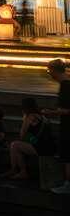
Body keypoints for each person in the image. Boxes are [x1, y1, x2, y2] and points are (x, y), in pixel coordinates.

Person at [5, 98, 53, 181]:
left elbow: (22, 136)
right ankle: (15, 170)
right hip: (49, 147)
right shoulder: (41, 116)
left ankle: (20, 172)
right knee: (18, 146)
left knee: (14, 145)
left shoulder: (29, 116)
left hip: (42, 148)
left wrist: (24, 120)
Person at [42, 58, 70, 194]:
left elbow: (66, 110)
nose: (49, 73)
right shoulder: (66, 83)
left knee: (68, 156)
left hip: (68, 127)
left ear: (54, 70)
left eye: (49, 70)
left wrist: (50, 112)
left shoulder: (65, 85)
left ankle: (68, 185)